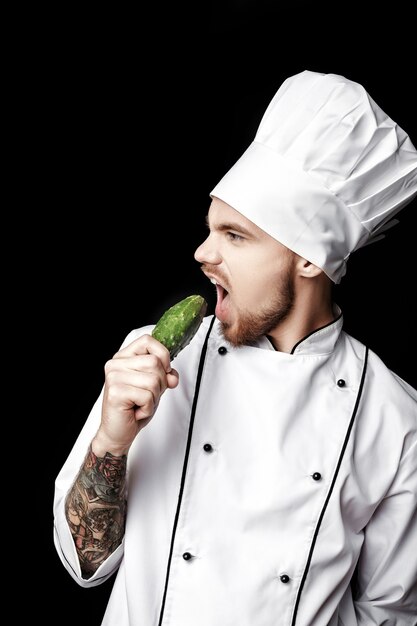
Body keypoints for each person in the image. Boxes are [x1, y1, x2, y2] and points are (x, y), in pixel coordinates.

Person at [54, 70, 417, 625]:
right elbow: (86, 563)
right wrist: (112, 440)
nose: (203, 252)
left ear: (310, 258)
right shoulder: (150, 360)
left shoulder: (393, 416)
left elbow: (389, 613)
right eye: (210, 228)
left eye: (235, 235)